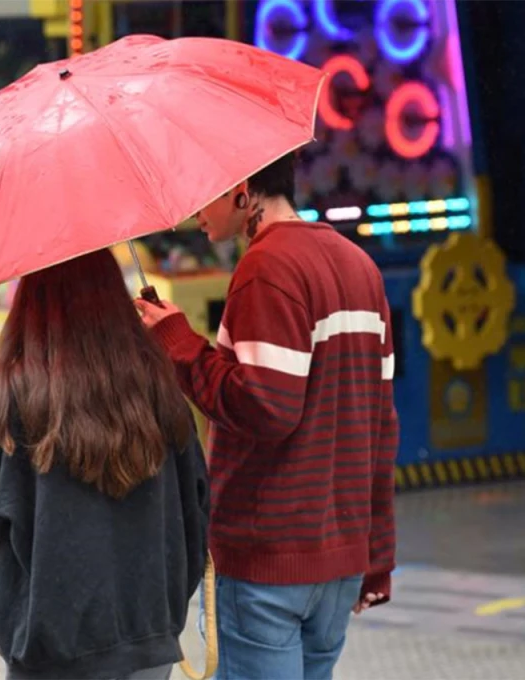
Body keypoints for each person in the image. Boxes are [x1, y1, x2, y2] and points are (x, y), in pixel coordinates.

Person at [135, 153, 399, 680]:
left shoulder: (266, 267)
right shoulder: (359, 267)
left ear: (243, 188)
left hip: (269, 561)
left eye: (202, 192)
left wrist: (180, 345)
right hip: (338, 560)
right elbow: (380, 425)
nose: (193, 213)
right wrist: (377, 552)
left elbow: (267, 407)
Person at [0, 249, 210, 680]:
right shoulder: (158, 387)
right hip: (149, 644)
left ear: (31, 303)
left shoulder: (21, 395)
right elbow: (196, 508)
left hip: (53, 652)